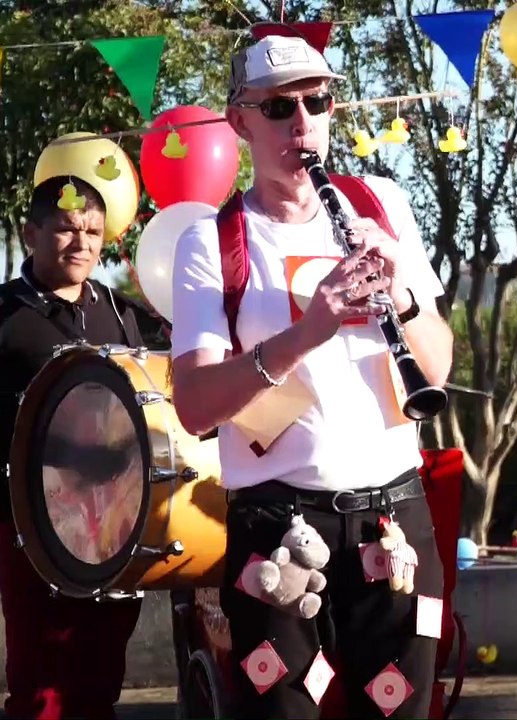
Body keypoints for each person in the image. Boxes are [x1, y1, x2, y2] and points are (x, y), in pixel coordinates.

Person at [168, 33, 452, 719]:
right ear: (240, 122)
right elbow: (197, 406)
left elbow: (438, 364)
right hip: (277, 530)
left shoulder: (382, 202)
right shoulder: (209, 240)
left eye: (317, 101)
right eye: (278, 108)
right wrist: (307, 332)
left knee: (401, 711)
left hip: (397, 523)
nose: (303, 123)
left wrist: (406, 299)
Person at [0, 175, 156, 719]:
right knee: (40, 686)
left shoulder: (122, 312)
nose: (82, 243)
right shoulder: (6, 318)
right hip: (30, 529)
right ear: (30, 234)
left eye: (92, 231)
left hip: (115, 527)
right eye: (66, 229)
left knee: (99, 676)